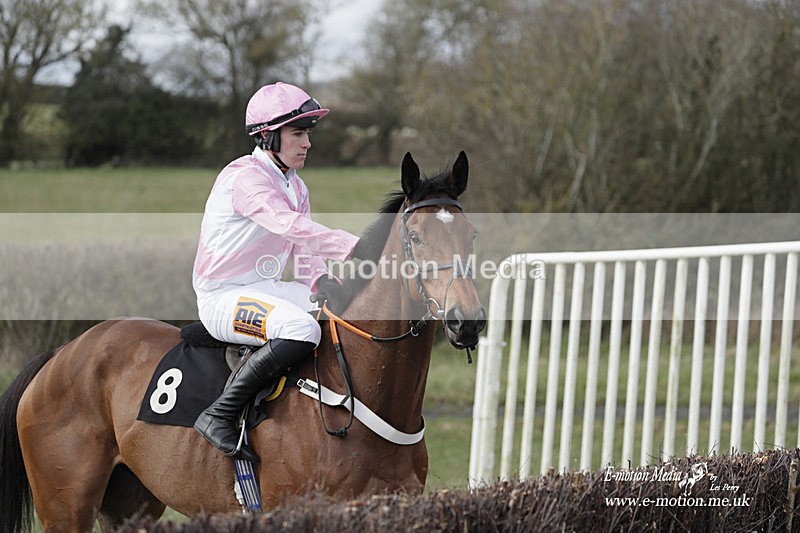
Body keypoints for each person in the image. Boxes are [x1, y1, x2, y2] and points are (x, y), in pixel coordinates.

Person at [192, 81, 359, 462]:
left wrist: (320, 279)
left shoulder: (296, 186)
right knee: (303, 329)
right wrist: (354, 248)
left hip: (263, 286)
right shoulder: (245, 178)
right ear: (268, 136)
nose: (307, 143)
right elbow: (288, 225)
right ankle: (220, 413)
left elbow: (302, 249)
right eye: (298, 134)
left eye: (308, 134)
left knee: (339, 314)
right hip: (221, 297)